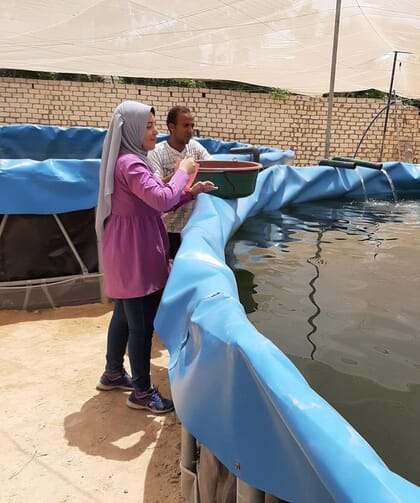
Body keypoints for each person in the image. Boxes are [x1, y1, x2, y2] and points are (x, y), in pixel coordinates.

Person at [95, 100, 216, 414]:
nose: (155, 130)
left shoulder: (132, 160)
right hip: (132, 254)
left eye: (153, 125)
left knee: (123, 314)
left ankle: (112, 372)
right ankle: (142, 392)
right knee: (141, 326)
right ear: (133, 129)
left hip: (130, 248)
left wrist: (191, 191)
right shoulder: (131, 164)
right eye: (148, 126)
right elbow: (161, 200)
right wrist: (183, 173)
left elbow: (152, 201)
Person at [148, 105, 212, 257]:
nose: (190, 130)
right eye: (185, 126)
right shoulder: (156, 153)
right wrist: (180, 173)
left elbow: (212, 167)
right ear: (171, 127)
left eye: (192, 125)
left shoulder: (195, 148)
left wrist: (231, 165)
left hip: (193, 227)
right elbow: (155, 189)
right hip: (167, 229)